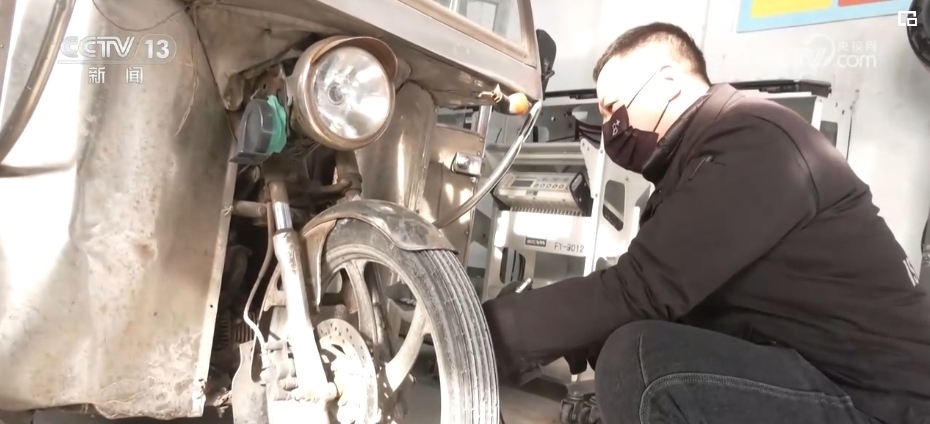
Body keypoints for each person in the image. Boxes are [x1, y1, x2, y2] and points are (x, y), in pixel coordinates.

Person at [482, 22, 930, 424]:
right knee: (625, 337)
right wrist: (582, 331)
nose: (609, 127)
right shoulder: (695, 165)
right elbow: (679, 303)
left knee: (640, 361)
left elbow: (641, 289)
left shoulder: (756, 139)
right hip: (827, 375)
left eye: (614, 108)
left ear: (668, 84)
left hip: (882, 401)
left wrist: (487, 331)